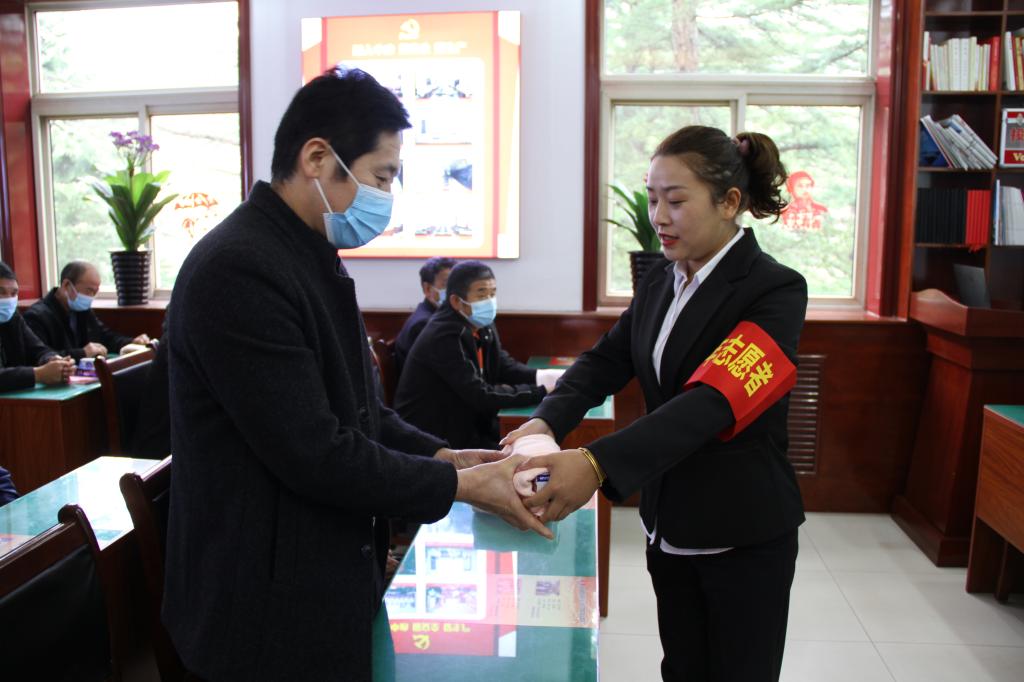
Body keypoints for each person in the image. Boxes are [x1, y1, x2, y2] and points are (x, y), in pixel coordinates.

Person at [163, 67, 549, 682]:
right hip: (261, 608)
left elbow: (364, 414)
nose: (386, 197)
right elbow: (316, 453)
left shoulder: (308, 255)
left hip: (319, 577)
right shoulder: (239, 269)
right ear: (318, 158)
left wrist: (446, 456)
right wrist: (459, 487)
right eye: (382, 176)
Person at [505, 126, 808, 682]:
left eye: (676, 200)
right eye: (651, 199)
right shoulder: (662, 280)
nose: (659, 217)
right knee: (682, 668)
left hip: (742, 528)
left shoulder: (774, 290)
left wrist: (596, 463)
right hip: (670, 522)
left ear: (729, 202)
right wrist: (545, 421)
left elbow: (712, 402)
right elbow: (606, 359)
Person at [394, 261, 561, 450]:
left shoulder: (481, 323)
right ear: (456, 301)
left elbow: (503, 367)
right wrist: (541, 391)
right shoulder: (443, 336)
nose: (489, 301)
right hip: (433, 437)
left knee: (536, 438)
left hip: (469, 424)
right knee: (530, 450)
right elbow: (480, 395)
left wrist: (544, 376)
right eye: (481, 295)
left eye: (492, 293)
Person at [23, 260, 151, 360]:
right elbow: (41, 356)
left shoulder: (83, 310)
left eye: (95, 292)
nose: (91, 297)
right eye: (89, 291)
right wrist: (82, 353)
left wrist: (132, 342)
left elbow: (106, 337)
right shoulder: (36, 316)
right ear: (66, 285)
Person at [0, 260, 74, 393]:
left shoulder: (13, 318)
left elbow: (38, 349)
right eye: (1, 292)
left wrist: (53, 360)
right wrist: (38, 374)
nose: (8, 299)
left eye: (14, 293)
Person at [393, 256, 455, 374]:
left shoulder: (438, 317)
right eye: (447, 285)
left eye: (457, 284)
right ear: (427, 289)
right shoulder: (423, 324)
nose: (455, 291)